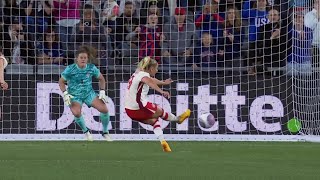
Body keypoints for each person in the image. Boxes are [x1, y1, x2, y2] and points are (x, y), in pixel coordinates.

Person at [124, 56, 191, 152]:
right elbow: (150, 82)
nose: (157, 70)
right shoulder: (143, 75)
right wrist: (161, 91)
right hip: (138, 108)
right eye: (156, 68)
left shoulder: (137, 73)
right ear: (151, 68)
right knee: (159, 111)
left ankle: (163, 142)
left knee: (154, 121)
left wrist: (163, 83)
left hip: (129, 111)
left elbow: (150, 80)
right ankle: (178, 119)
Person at [58, 46, 112, 141]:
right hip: (75, 96)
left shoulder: (91, 68)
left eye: (85, 58)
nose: (83, 59)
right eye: (81, 58)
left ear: (87, 59)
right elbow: (61, 81)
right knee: (76, 112)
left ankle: (105, 132)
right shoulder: (70, 69)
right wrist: (65, 94)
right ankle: (86, 132)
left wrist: (102, 91)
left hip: (88, 94)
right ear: (77, 59)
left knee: (104, 109)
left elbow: (101, 79)